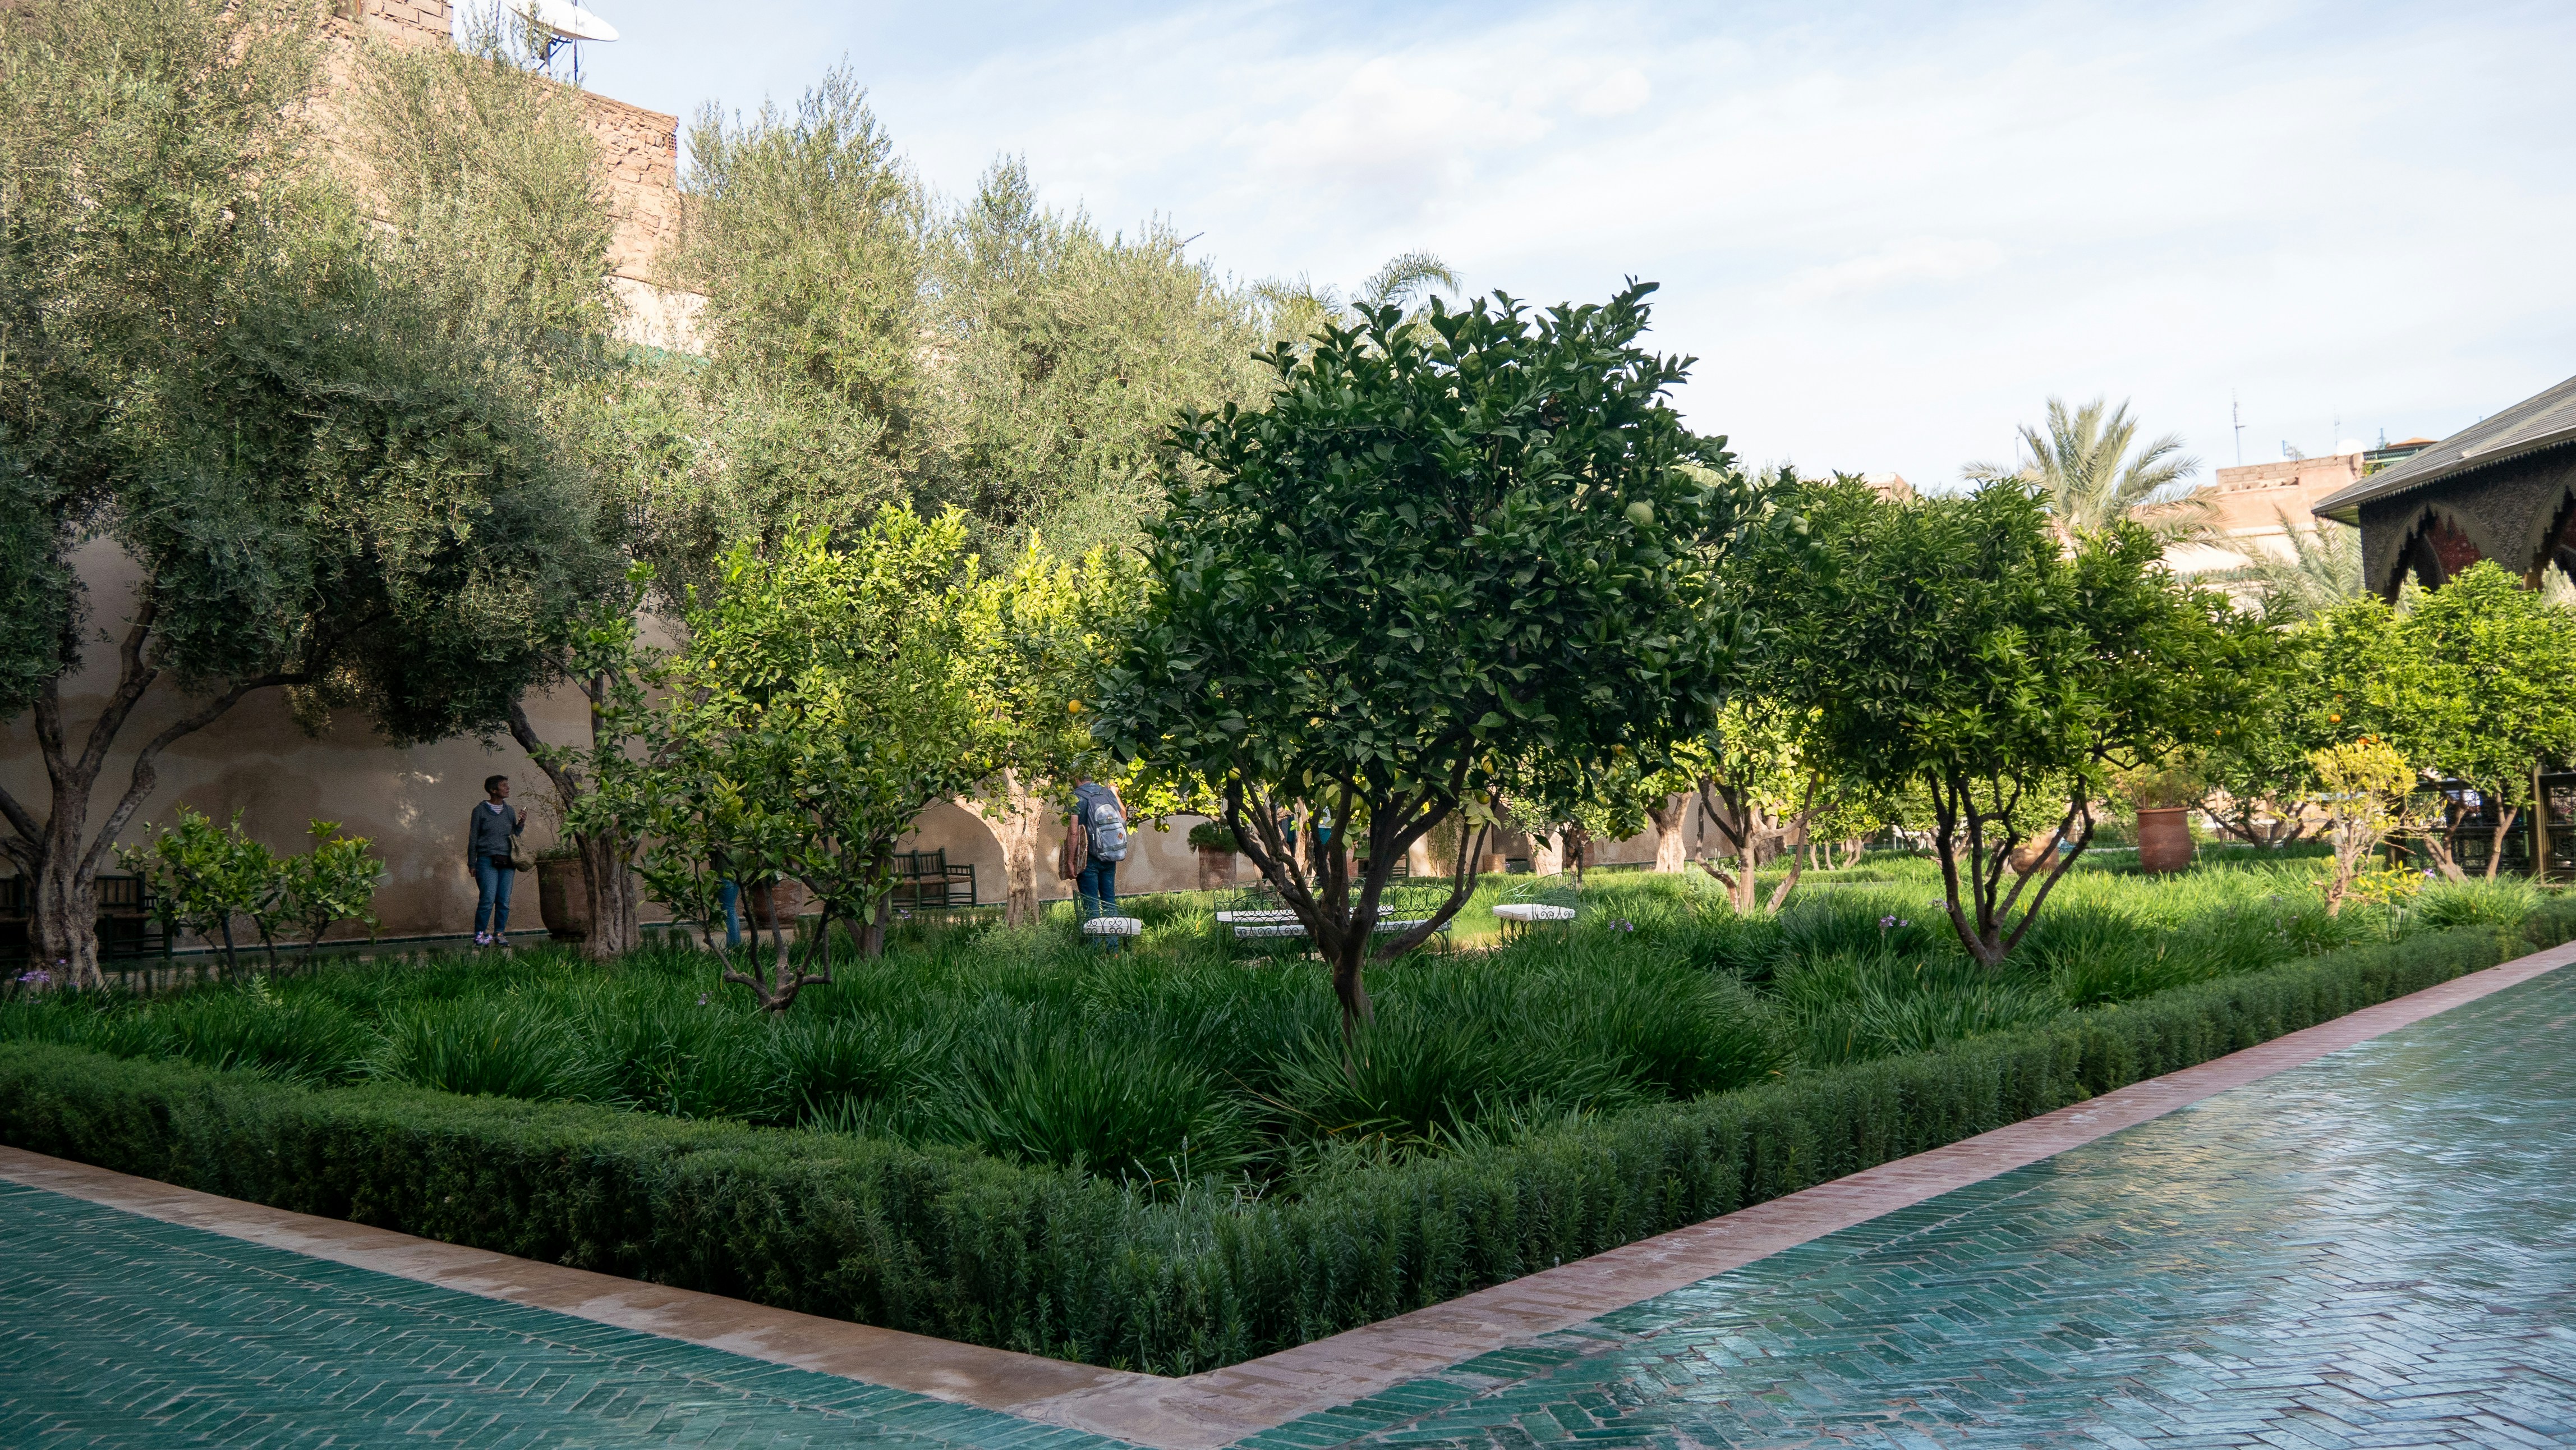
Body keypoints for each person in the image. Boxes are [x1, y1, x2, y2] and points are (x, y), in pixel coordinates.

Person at [467, 774, 525, 947]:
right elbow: (473, 838)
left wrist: (521, 824)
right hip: (486, 860)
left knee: (504, 900)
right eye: (504, 786)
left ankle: (499, 934)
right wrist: (472, 863)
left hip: (507, 861)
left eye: (508, 785)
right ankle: (480, 936)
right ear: (493, 790)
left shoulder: (509, 811)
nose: (508, 788)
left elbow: (514, 835)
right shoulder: (480, 810)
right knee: (487, 899)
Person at [1070, 774, 1128, 921]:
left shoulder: (1076, 797)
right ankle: (1112, 943)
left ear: (1076, 778)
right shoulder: (1107, 793)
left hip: (1088, 858)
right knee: (1109, 901)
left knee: (1092, 905)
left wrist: (1070, 861)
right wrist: (1116, 794)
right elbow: (1124, 817)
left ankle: (1094, 943)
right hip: (1109, 854)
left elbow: (1074, 833)